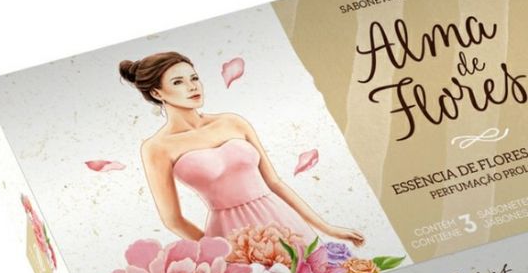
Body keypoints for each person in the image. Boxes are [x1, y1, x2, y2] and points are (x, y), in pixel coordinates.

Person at [118, 50, 365, 248]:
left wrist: (327, 228)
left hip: (283, 222)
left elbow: (275, 182)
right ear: (156, 92)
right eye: (178, 82)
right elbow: (172, 220)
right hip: (229, 236)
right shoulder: (157, 147)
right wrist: (218, 252)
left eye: (194, 78)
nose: (193, 87)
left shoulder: (232, 122)